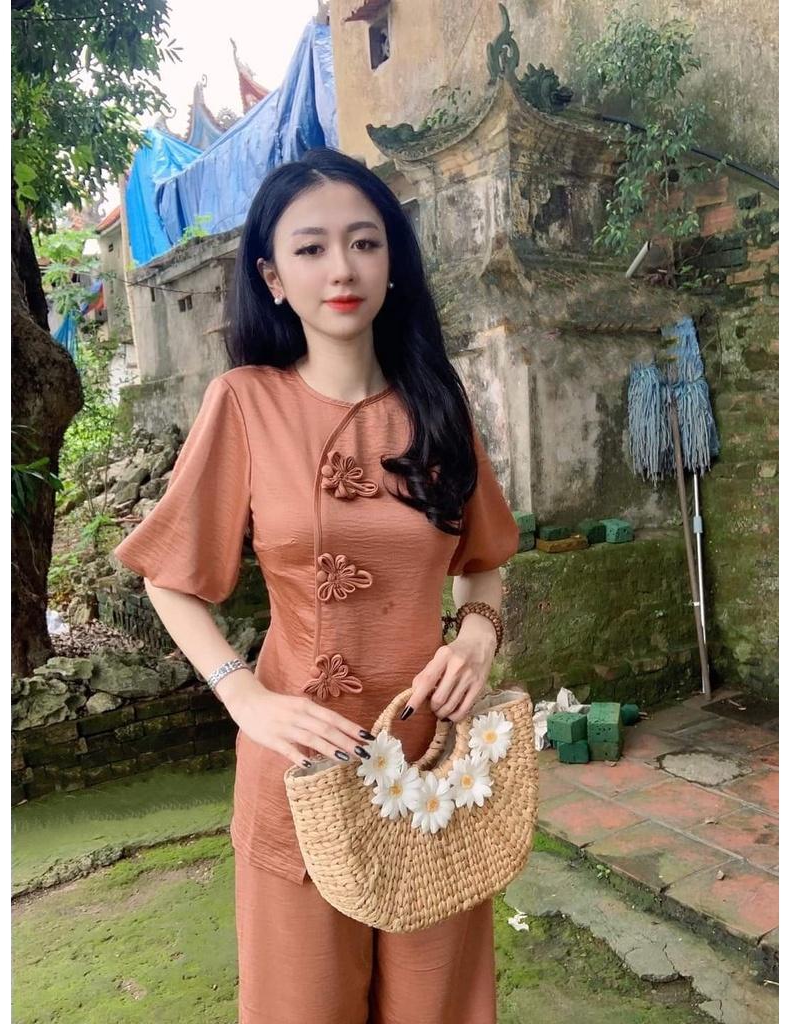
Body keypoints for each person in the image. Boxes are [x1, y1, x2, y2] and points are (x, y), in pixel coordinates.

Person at [113, 147, 519, 1024]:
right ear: (272, 277)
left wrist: (477, 633)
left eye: (365, 243)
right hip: (298, 767)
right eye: (311, 248)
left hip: (429, 765)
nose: (342, 268)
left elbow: (483, 553)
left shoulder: (438, 405)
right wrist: (244, 696)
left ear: (391, 263)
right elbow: (170, 578)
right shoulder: (243, 403)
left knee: (437, 1005)